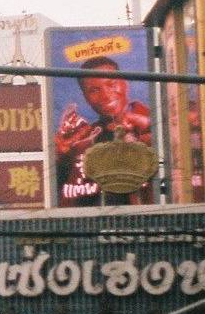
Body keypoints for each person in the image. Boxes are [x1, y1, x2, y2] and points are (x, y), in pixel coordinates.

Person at [54, 56, 153, 205]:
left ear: (125, 83)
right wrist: (61, 160)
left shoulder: (154, 122)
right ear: (85, 97)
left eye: (111, 84)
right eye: (94, 90)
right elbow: (69, 199)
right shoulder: (85, 140)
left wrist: (150, 130)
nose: (106, 95)